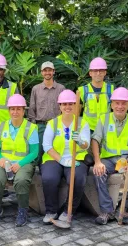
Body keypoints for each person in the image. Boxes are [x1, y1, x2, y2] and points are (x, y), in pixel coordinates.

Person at [92, 87, 128, 225]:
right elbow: (95, 140)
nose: (120, 106)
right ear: (112, 105)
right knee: (99, 173)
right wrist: (98, 161)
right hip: (108, 159)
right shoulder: (103, 119)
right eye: (117, 103)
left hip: (126, 159)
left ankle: (124, 208)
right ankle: (107, 211)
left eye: (124, 103)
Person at [41, 90, 90, 228]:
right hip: (54, 158)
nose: (68, 107)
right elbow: (47, 146)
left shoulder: (82, 123)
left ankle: (69, 212)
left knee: (77, 178)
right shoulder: (52, 123)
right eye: (64, 104)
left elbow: (86, 145)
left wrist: (80, 141)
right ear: (60, 106)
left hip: (76, 158)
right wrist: (61, 160)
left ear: (76, 106)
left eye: (71, 104)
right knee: (49, 178)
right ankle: (51, 211)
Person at [0, 94, 39, 227]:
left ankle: (23, 211)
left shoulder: (31, 128)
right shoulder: (1, 125)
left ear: (23, 111)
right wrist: (1, 159)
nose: (15, 112)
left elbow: (34, 152)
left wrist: (20, 164)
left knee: (21, 180)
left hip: (24, 163)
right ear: (9, 110)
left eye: (18, 109)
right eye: (12, 109)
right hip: (4, 163)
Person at [28, 61, 65, 165]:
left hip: (56, 126)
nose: (47, 72)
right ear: (41, 72)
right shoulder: (36, 89)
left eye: (49, 70)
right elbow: (32, 107)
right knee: (38, 151)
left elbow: (64, 107)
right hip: (40, 125)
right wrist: (33, 125)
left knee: (55, 150)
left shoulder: (61, 89)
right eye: (45, 70)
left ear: (53, 71)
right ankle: (36, 174)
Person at [78, 57, 115, 132]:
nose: (98, 73)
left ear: (105, 72)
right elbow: (76, 113)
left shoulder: (111, 90)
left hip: (105, 129)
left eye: (101, 71)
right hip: (88, 130)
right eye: (95, 71)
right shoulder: (82, 91)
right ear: (90, 73)